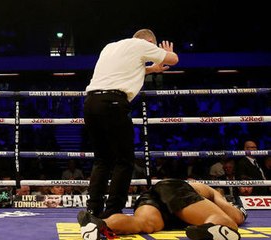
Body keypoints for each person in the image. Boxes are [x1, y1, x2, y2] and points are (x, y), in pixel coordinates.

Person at [83, 29, 179, 219]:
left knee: (102, 160)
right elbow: (173, 59)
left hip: (91, 103)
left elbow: (129, 69)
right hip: (113, 103)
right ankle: (113, 211)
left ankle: (93, 209)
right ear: (150, 41)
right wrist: (165, 52)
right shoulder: (142, 45)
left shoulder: (111, 47)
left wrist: (152, 69)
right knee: (124, 160)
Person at [78, 179, 246, 240]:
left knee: (142, 223)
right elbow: (235, 216)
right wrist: (240, 212)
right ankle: (212, 230)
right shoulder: (210, 191)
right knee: (228, 223)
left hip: (154, 198)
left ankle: (98, 224)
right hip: (173, 189)